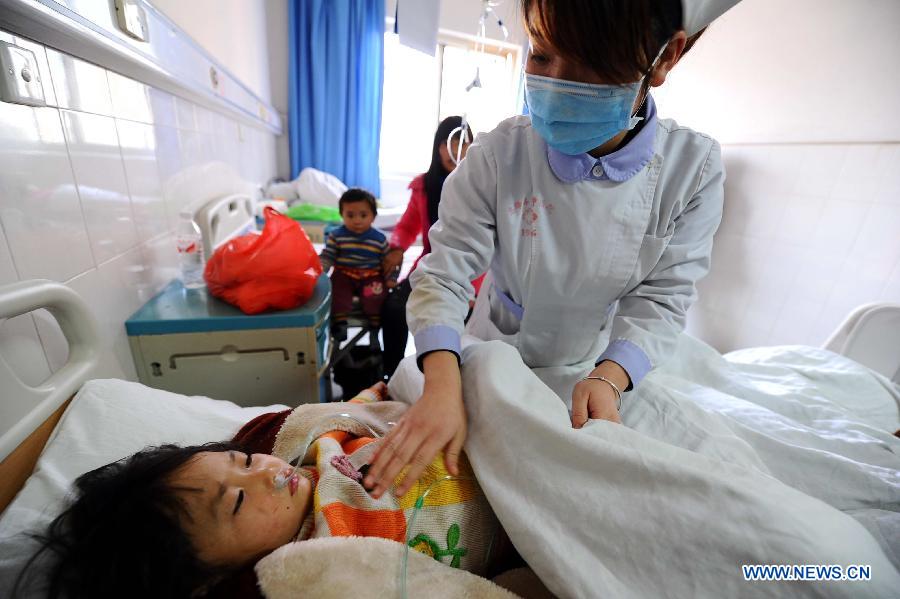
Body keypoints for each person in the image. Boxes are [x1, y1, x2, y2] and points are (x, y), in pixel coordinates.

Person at [364, 0, 737, 500]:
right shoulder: (498, 155)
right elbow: (445, 274)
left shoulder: (692, 169)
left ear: (664, 58)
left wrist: (610, 378)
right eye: (540, 55)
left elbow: (662, 301)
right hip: (491, 353)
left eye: (585, 65)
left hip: (598, 366)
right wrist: (442, 384)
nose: (556, 83)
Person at [13, 384, 505, 599]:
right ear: (205, 580)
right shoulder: (315, 565)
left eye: (244, 461)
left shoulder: (310, 454)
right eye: (239, 501)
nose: (266, 473)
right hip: (511, 520)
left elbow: (361, 412)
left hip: (487, 439)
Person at [381, 116, 484, 377]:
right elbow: (406, 227)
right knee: (393, 308)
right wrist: (396, 248)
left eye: (465, 144)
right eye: (448, 144)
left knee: (464, 321)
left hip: (474, 269)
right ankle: (391, 379)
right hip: (431, 264)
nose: (456, 151)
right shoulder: (423, 187)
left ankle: (457, 382)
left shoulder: (483, 185)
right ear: (438, 147)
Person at [319, 188, 397, 339]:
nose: (357, 220)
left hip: (371, 275)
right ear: (341, 215)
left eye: (363, 215)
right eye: (350, 215)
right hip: (344, 274)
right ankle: (340, 323)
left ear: (373, 216)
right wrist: (321, 269)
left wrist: (391, 278)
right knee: (335, 290)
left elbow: (388, 262)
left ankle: (374, 328)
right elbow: (328, 255)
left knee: (377, 295)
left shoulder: (379, 239)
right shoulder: (336, 236)